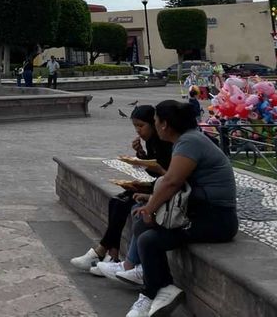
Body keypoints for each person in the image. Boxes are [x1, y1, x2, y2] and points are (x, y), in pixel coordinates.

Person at [123, 100, 238, 317]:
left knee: (149, 238)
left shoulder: (189, 143)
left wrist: (150, 207)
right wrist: (150, 200)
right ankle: (157, 285)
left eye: (155, 121)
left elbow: (172, 182)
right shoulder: (187, 140)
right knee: (142, 226)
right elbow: (178, 185)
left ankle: (155, 292)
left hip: (216, 218)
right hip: (199, 209)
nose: (155, 126)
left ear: (164, 124)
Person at [71, 105, 173, 280]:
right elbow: (154, 171)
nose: (138, 131)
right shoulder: (151, 141)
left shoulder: (165, 141)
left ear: (154, 123)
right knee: (116, 201)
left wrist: (147, 170)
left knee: (126, 204)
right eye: (135, 127)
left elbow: (170, 176)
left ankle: (101, 251)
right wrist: (141, 154)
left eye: (141, 126)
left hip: (165, 188)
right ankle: (113, 254)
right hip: (158, 184)